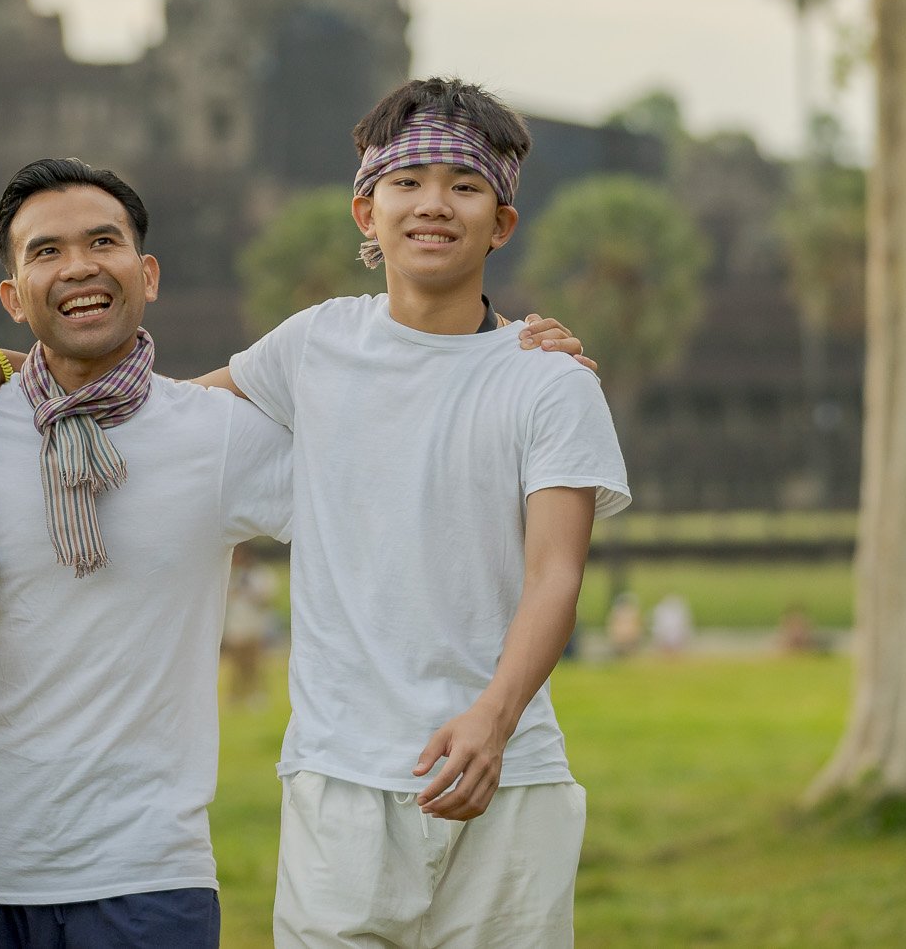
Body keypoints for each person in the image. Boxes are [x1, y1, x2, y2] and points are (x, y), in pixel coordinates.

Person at [193, 77, 629, 949]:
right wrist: (8, 373)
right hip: (340, 779)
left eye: (464, 186)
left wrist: (492, 719)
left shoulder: (548, 381)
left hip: (510, 781)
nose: (434, 205)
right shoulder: (314, 344)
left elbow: (556, 574)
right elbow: (159, 416)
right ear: (366, 209)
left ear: (501, 222)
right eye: (408, 182)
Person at [0, 158, 294, 949]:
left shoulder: (218, 436)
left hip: (150, 874)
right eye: (45, 251)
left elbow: (388, 465)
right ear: (13, 296)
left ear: (147, 273)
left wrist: (495, 352)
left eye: (103, 241)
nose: (80, 266)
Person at [225, 542, 279, 709]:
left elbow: (266, 599)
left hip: (255, 626)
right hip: (236, 627)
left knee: (254, 664)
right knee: (236, 666)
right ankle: (236, 696)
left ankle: (257, 695)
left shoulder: (261, 574)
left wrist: (250, 590)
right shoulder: (231, 574)